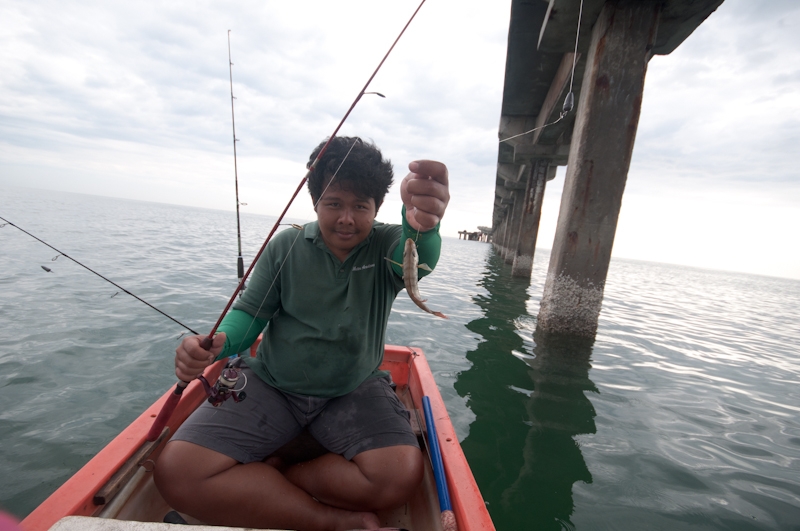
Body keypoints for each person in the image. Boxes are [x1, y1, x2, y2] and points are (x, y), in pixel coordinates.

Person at [154, 136, 449, 531]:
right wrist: (218, 344)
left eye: (360, 206)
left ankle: (285, 476)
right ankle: (328, 519)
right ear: (315, 203)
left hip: (353, 389)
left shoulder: (387, 243)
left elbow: (416, 257)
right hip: (274, 385)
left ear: (377, 208)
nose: (346, 218)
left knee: (398, 476)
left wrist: (424, 225)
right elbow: (249, 314)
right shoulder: (286, 246)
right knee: (177, 471)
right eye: (334, 204)